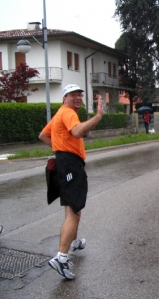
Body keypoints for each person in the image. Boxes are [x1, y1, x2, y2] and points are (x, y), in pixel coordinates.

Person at [39, 84, 104, 280]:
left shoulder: (61, 112)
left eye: (79, 95)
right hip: (70, 164)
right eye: (72, 95)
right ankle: (61, 257)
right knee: (73, 213)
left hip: (65, 162)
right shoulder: (68, 113)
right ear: (64, 98)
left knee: (74, 208)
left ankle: (73, 242)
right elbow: (76, 132)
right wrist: (98, 116)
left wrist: (59, 148)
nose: (77, 98)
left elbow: (43, 135)